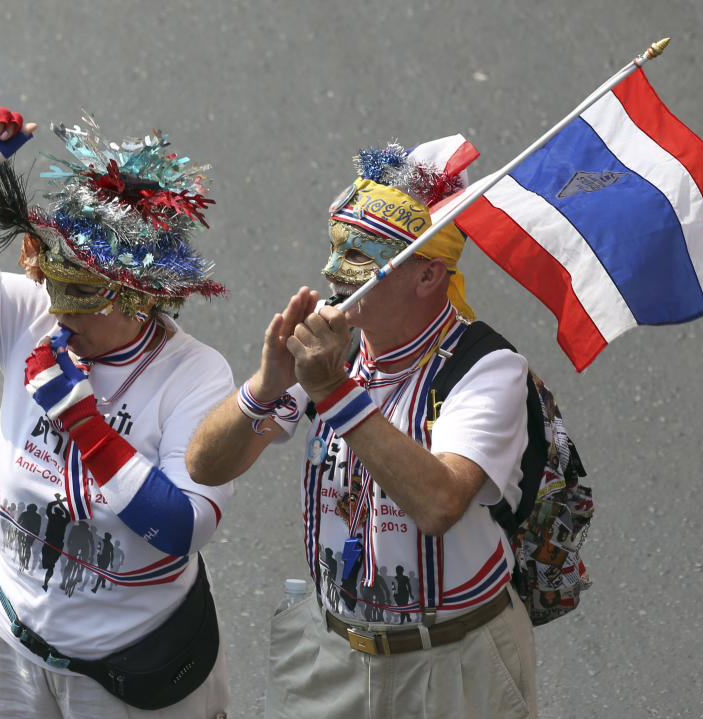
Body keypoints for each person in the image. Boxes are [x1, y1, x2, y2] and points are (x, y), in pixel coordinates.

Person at [0, 104, 234, 718]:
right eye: (54, 285)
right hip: (11, 645)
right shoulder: (29, 312)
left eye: (81, 298)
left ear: (140, 295)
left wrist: (83, 424)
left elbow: (184, 529)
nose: (60, 314)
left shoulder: (198, 377)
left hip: (131, 674)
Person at [187, 136, 537, 717]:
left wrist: (332, 393)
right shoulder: (338, 352)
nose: (329, 270)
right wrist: (265, 386)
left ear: (427, 277)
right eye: (332, 248)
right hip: (332, 656)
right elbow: (205, 466)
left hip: (452, 664)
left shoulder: (488, 368)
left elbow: (439, 503)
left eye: (355, 256)